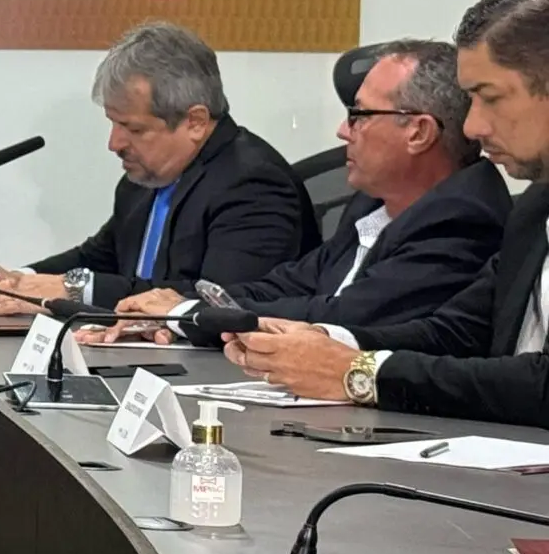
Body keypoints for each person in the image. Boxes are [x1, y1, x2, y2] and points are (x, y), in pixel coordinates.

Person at [230, 0, 549, 424]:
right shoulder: (535, 209)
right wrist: (322, 342)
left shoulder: (474, 213)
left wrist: (360, 374)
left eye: (490, 98)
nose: (472, 127)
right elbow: (457, 332)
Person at [90, 40, 504, 338]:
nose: (343, 131)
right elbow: (283, 285)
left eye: (359, 116)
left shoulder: (463, 217)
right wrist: (172, 311)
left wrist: (186, 312)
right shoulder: (372, 206)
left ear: (418, 132)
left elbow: (345, 314)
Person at [0, 21, 311, 312]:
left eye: (133, 129)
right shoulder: (145, 178)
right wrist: (17, 280)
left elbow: (221, 303)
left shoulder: (253, 184)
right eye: (113, 123)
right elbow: (98, 257)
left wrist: (76, 290)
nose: (114, 143)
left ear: (195, 121)